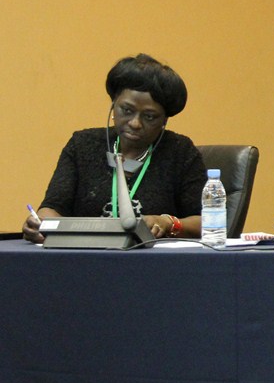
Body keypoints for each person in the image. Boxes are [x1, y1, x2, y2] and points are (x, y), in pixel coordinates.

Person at [22, 54, 208, 243]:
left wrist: (168, 222)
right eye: (127, 110)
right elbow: (52, 207)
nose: (135, 123)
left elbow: (208, 222)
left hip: (150, 257)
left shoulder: (180, 151)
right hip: (86, 253)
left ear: (164, 120)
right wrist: (41, 225)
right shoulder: (82, 145)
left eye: (150, 117)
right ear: (113, 105)